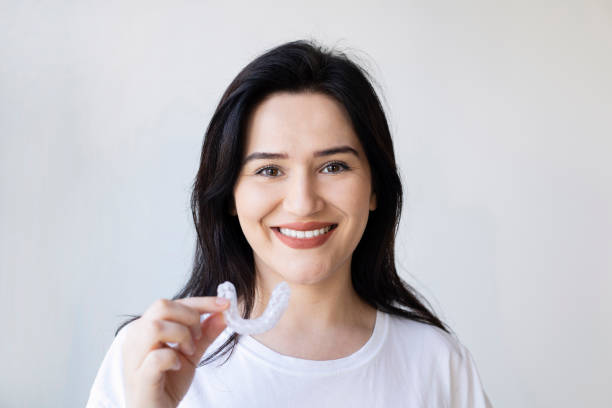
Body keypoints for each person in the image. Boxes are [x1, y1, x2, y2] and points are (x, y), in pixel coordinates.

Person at [86, 40, 493, 407]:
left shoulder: (438, 365)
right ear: (229, 194)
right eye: (268, 170)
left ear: (375, 189)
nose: (302, 203)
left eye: (334, 166)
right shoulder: (149, 358)